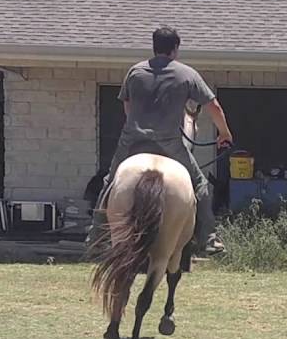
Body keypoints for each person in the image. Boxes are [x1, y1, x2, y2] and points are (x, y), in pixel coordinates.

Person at [88, 26, 234, 255]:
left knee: (110, 181)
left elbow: (127, 105)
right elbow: (213, 106)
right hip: (169, 142)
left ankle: (96, 233)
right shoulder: (186, 74)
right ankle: (209, 238)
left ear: (154, 47)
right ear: (175, 49)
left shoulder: (135, 72)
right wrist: (225, 133)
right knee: (200, 184)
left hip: (132, 140)